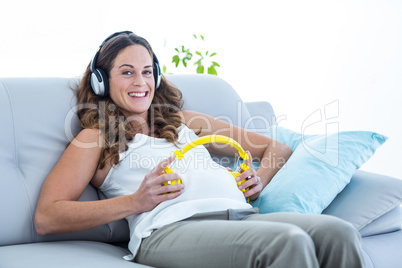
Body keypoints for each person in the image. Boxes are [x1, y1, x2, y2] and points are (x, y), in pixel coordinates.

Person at [35, 31, 365, 268]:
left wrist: (256, 180)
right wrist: (136, 202)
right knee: (288, 242)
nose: (141, 82)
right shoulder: (95, 137)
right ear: (101, 82)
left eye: (147, 71)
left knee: (339, 232)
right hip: (169, 231)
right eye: (127, 72)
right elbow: (47, 217)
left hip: (241, 217)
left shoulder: (184, 121)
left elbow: (275, 148)